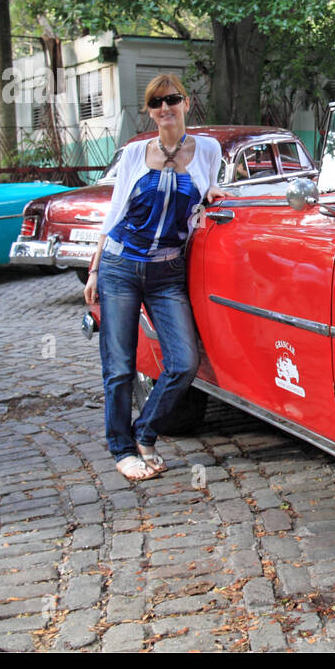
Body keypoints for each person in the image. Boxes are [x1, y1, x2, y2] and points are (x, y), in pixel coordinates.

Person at [83, 75, 228, 482]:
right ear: (149, 111)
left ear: (186, 103)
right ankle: (122, 448)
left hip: (167, 273)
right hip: (120, 266)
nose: (165, 108)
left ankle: (145, 432)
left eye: (172, 100)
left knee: (183, 362)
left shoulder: (208, 150)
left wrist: (213, 194)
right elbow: (114, 214)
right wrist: (94, 269)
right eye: (156, 103)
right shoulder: (134, 153)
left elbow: (209, 189)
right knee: (120, 367)